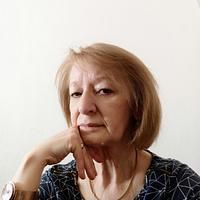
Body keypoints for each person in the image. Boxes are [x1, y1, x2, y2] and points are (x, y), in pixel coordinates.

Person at [1, 43, 200, 200]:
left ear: (138, 107)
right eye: (76, 93)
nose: (84, 107)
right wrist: (34, 159)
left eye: (104, 90)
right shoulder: (56, 185)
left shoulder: (177, 185)